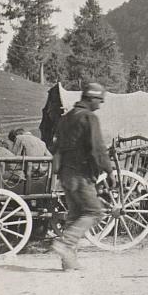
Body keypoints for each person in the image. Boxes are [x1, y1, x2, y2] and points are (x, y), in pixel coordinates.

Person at [50, 83, 115, 270]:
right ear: (91, 98)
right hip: (81, 174)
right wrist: (109, 171)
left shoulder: (65, 118)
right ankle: (66, 243)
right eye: (99, 100)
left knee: (74, 216)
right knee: (94, 212)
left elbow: (55, 146)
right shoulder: (89, 117)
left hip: (65, 174)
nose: (100, 105)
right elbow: (98, 148)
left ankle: (68, 262)